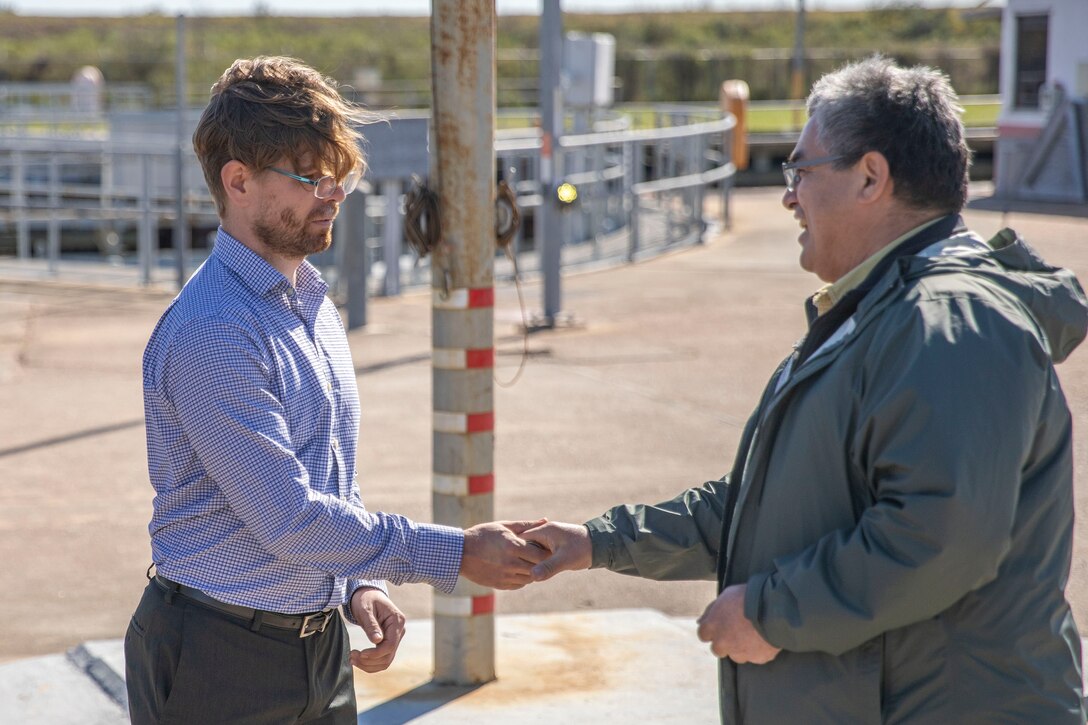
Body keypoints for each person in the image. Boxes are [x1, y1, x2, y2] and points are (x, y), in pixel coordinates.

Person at [523, 56, 1088, 722]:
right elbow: (779, 505)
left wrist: (768, 614)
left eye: (802, 171)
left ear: (871, 177)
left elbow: (938, 535)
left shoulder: (948, 320)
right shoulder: (882, 311)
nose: (789, 195)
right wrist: (599, 541)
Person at [124, 56, 547, 725]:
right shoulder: (216, 330)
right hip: (216, 652)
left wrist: (357, 587)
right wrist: (458, 551)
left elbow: (328, 481)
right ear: (238, 181)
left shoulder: (309, 303)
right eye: (311, 177)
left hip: (316, 643)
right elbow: (289, 517)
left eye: (339, 174)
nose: (335, 193)